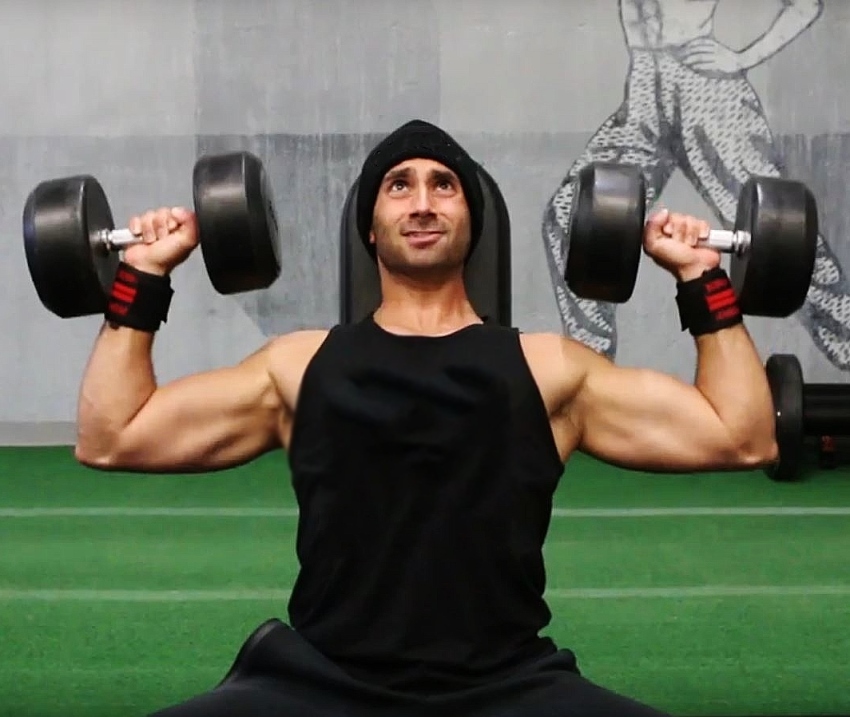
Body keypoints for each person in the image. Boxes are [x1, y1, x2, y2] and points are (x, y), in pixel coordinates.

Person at [75, 120, 777, 716]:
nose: (422, 201)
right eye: (398, 184)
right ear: (372, 230)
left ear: (470, 222)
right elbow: (114, 435)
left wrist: (700, 275)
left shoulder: (550, 368)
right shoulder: (297, 367)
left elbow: (740, 435)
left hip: (507, 686)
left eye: (444, 184)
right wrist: (143, 272)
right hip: (322, 684)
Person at [542, 0, 850, 368]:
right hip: (644, 85)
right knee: (568, 216)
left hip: (704, 88)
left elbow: (804, 5)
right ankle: (591, 371)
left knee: (782, 233)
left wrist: (741, 59)